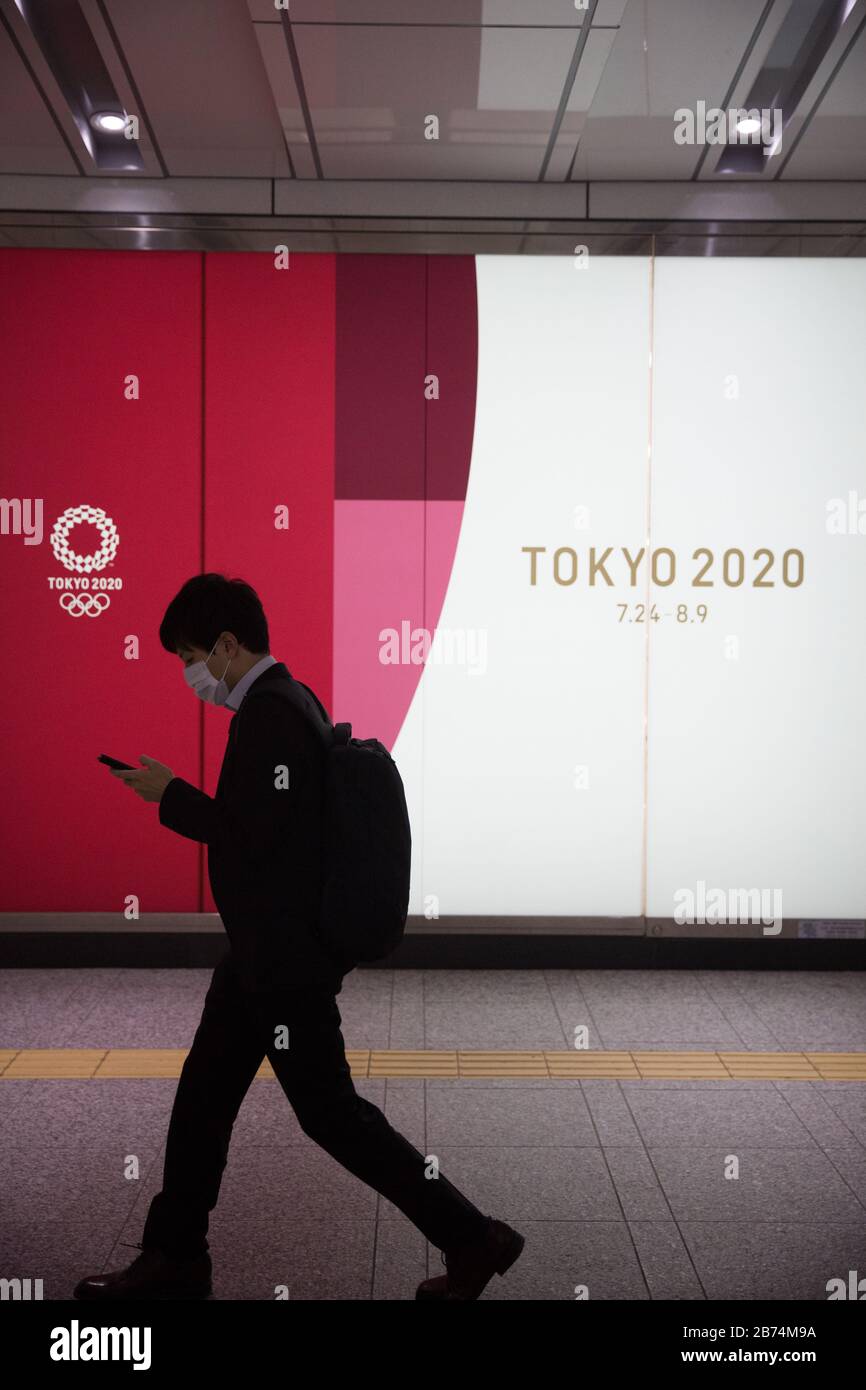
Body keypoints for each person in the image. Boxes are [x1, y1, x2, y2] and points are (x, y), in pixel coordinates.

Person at [73, 573, 524, 1301]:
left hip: (282, 967)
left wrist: (171, 796)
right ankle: (174, 1256)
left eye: (192, 655)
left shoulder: (272, 713)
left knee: (332, 1117)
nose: (192, 675)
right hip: (259, 958)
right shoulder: (284, 702)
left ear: (226, 644)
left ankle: (473, 1236)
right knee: (204, 1103)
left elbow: (258, 838)